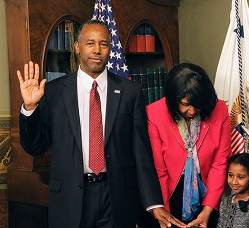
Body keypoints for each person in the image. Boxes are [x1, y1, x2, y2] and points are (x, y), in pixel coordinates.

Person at [17, 19, 186, 228]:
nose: (97, 50)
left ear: (110, 48)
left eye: (103, 44)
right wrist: (30, 108)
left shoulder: (130, 92)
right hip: (69, 198)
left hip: (116, 198)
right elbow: (35, 146)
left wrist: (154, 203)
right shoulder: (54, 92)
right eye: (90, 43)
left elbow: (141, 153)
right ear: (77, 47)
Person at [143, 63, 232, 227]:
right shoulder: (154, 113)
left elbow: (219, 163)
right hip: (168, 192)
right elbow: (158, 170)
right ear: (173, 98)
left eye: (196, 105)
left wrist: (207, 210)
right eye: (185, 104)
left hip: (205, 189)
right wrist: (163, 213)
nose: (191, 111)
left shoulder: (219, 109)